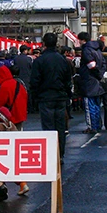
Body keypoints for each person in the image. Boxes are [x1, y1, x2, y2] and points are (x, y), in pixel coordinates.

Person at [30, 32, 73, 163]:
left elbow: (34, 81)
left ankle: (51, 155)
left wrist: (35, 96)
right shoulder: (63, 60)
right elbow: (67, 80)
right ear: (56, 43)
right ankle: (60, 154)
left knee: (48, 127)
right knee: (60, 126)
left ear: (44, 43)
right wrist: (67, 94)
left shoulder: (39, 61)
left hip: (45, 97)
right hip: (60, 96)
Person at [0, 107, 29, 198]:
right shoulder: (11, 125)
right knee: (12, 171)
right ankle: (23, 184)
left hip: (1, 152)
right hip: (11, 152)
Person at [77, 32, 107, 133]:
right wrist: (100, 74)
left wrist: (96, 73)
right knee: (96, 104)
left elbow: (91, 65)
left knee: (89, 105)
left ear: (82, 40)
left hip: (88, 80)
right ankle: (98, 124)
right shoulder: (97, 50)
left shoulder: (86, 50)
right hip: (96, 81)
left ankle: (92, 126)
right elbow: (103, 63)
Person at [0, 65, 28, 129]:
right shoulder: (18, 83)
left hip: (11, 115)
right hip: (21, 113)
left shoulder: (4, 85)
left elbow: (1, 102)